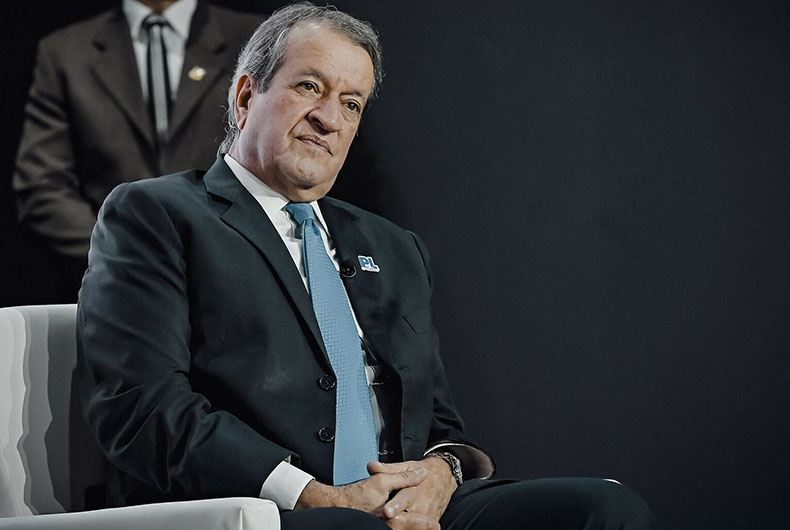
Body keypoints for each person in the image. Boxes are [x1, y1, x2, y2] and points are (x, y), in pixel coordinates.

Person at [76, 3, 658, 529]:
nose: (329, 118)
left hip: (400, 507)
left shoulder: (394, 246)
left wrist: (441, 474)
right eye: (310, 87)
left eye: (350, 104)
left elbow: (439, 425)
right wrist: (314, 496)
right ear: (247, 96)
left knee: (606, 511)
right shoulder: (159, 215)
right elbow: (141, 407)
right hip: (264, 508)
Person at [12, 0, 262, 299]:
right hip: (110, 292)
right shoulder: (65, 51)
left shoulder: (255, 37)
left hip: (238, 284)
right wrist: (122, 253)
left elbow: (277, 162)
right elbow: (41, 184)